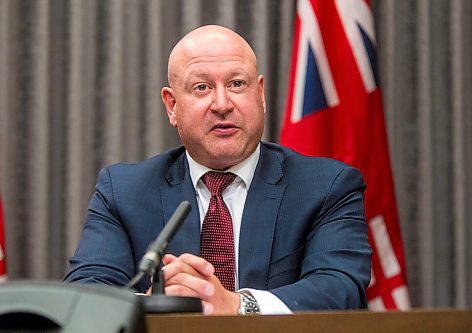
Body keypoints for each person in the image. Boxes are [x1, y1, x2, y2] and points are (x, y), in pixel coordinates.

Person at [64, 25, 371, 315]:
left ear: (260, 94)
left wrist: (238, 305)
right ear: (171, 106)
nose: (222, 104)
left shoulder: (327, 186)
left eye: (237, 84)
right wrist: (154, 306)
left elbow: (340, 289)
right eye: (202, 87)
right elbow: (85, 292)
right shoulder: (124, 190)